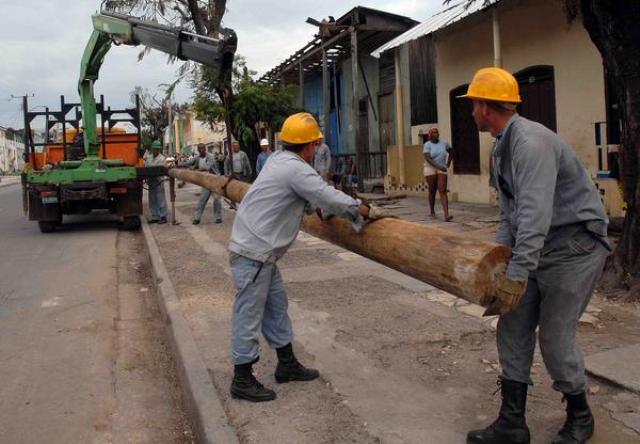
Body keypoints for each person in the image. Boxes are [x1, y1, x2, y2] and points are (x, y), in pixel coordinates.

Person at [459, 67, 610, 444]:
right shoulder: (501, 145)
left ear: (483, 105)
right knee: (512, 326)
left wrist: (518, 272)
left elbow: (534, 215)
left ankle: (580, 416)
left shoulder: (530, 143)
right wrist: (501, 262)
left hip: (574, 246)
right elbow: (510, 214)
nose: (471, 112)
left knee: (556, 337)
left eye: (473, 104)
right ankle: (512, 423)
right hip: (541, 244)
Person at [228, 112, 377, 403]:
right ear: (309, 146)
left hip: (260, 253)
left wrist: (321, 206)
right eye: (315, 144)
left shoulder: (278, 162)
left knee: (276, 307)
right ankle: (242, 379)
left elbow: (308, 199)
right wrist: (363, 210)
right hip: (254, 254)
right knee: (248, 316)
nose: (316, 149)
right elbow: (326, 194)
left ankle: (286, 365)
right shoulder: (296, 169)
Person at [178, 143, 223, 225]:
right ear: (198, 150)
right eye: (200, 149)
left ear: (205, 149)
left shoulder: (211, 157)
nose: (202, 150)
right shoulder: (197, 158)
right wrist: (178, 164)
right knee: (202, 200)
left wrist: (196, 170)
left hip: (215, 180)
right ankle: (197, 218)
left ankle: (218, 217)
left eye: (203, 148)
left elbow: (207, 167)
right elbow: (189, 162)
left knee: (217, 199)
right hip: (205, 182)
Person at [423, 127, 454, 221]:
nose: (436, 134)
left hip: (442, 168)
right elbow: (428, 158)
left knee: (442, 190)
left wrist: (448, 163)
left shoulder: (444, 143)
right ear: (430, 135)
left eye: (437, 132)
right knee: (432, 190)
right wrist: (439, 167)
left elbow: (451, 151)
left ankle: (446, 214)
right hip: (430, 168)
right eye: (434, 133)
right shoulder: (427, 145)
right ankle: (432, 211)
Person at [144, 140, 168, 224]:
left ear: (159, 150)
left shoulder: (162, 158)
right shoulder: (149, 157)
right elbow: (146, 167)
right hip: (151, 181)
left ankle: (163, 216)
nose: (155, 150)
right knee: (152, 199)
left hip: (158, 181)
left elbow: (161, 169)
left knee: (160, 198)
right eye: (154, 149)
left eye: (156, 149)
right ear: (152, 149)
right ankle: (155, 216)